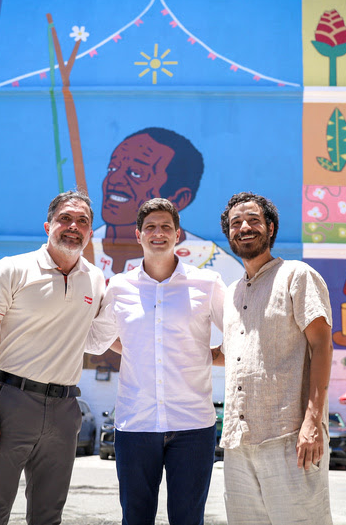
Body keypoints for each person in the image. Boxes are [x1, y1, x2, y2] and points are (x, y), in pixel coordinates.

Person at [0, 191, 105, 525]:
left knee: (48, 516)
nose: (74, 227)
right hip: (11, 404)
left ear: (90, 232)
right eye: (65, 219)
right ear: (48, 225)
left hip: (65, 409)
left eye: (83, 221)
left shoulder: (96, 280)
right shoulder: (13, 269)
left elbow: (108, 337)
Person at [86, 197, 226, 525]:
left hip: (193, 425)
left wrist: (207, 355)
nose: (158, 233)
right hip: (136, 425)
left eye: (166, 227)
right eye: (150, 227)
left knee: (188, 520)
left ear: (178, 235)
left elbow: (239, 334)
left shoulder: (207, 284)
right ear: (138, 235)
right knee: (135, 519)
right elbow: (95, 340)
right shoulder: (119, 286)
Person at [218, 192, 334, 525]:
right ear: (228, 234)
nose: (244, 227)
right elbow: (235, 356)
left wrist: (312, 422)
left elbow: (322, 345)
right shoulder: (232, 293)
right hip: (238, 442)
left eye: (253, 220)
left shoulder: (297, 275)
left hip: (290, 436)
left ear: (270, 228)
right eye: (235, 223)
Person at [92, 127, 244, 281]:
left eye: (136, 174)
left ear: (179, 199)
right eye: (112, 168)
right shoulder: (79, 254)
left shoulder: (219, 270)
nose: (114, 180)